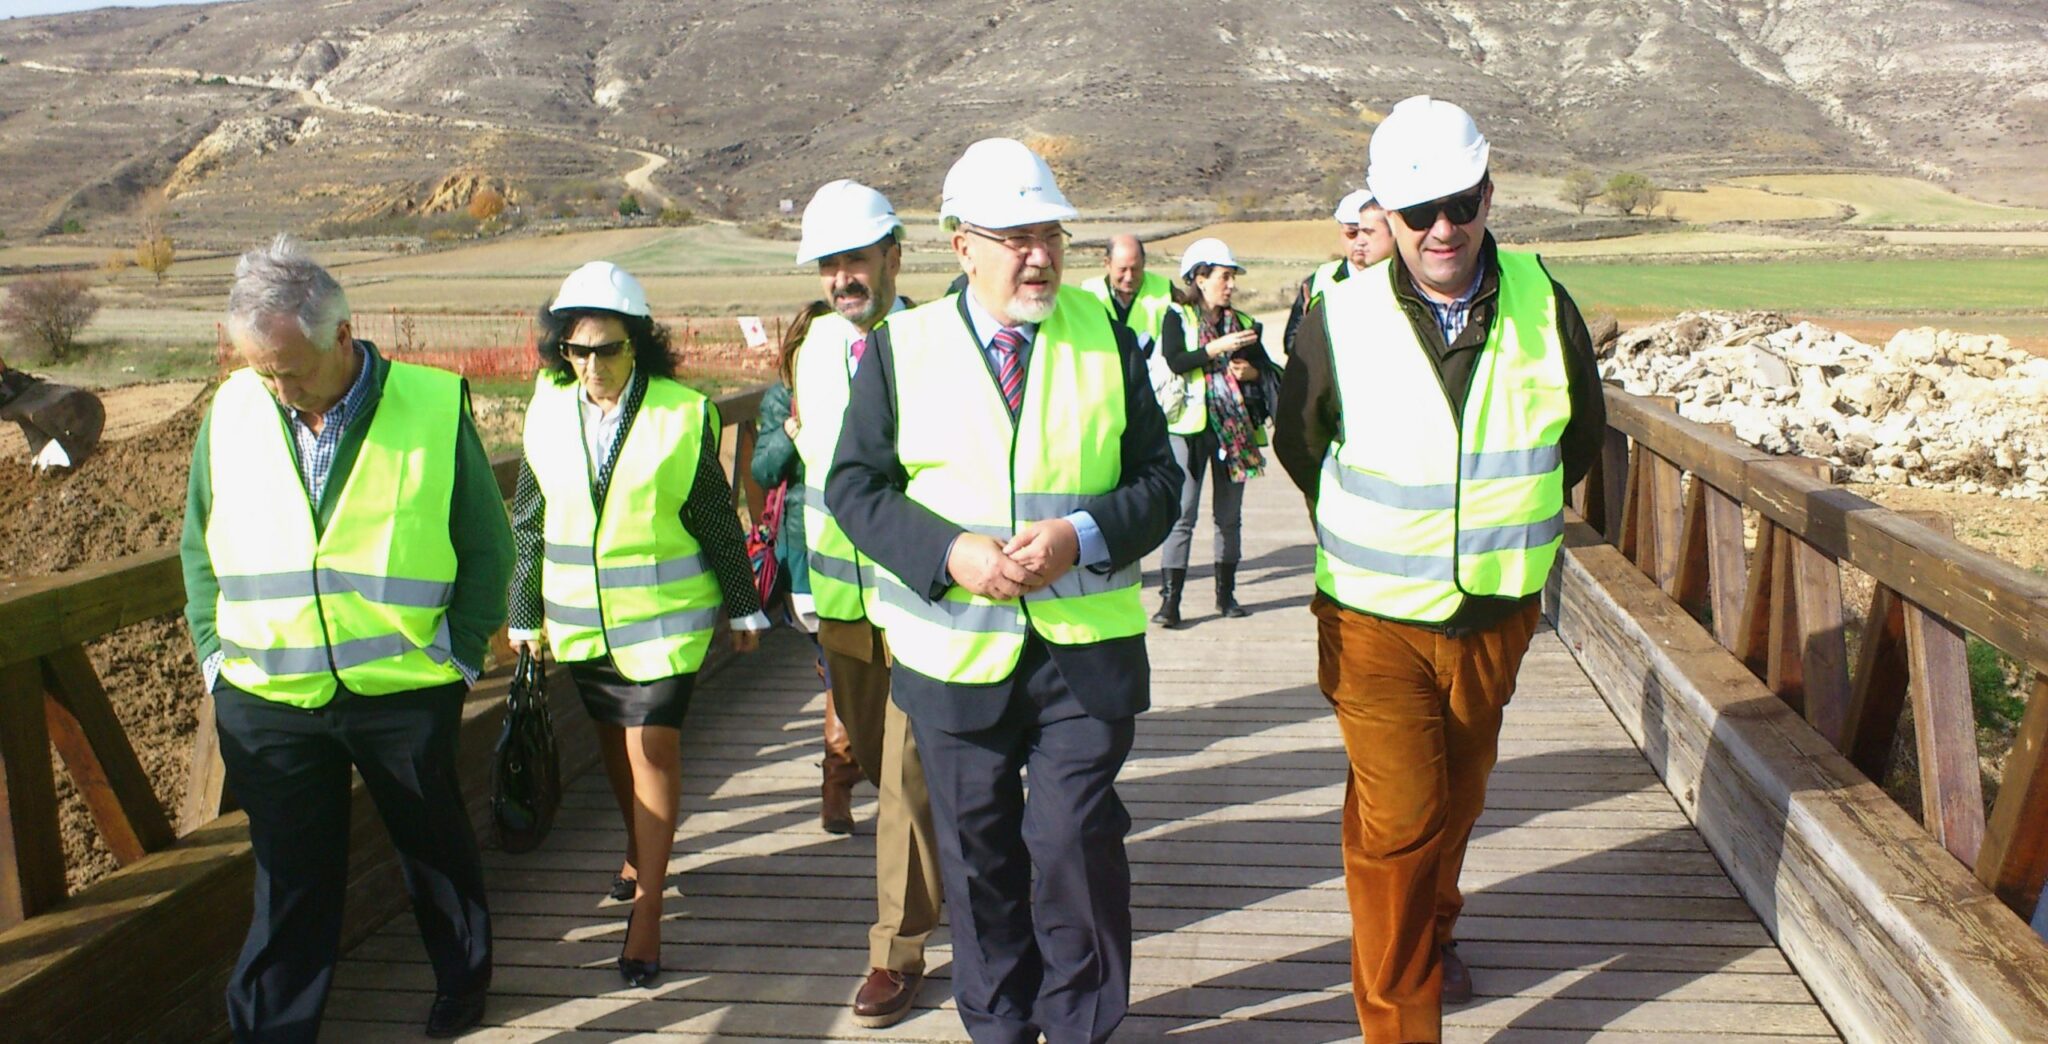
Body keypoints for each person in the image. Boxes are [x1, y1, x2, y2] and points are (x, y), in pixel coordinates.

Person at [827, 138, 1180, 1044]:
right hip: (953, 654)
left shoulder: (1106, 334)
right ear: (961, 244)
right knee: (979, 862)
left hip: (1083, 654)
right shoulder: (900, 350)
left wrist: (1080, 536)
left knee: (1072, 846)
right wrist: (951, 553)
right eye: (1016, 236)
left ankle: (1081, 1029)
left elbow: (1157, 482)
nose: (1040, 255)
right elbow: (854, 489)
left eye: (1051, 234)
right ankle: (999, 1028)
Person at [1273, 96, 1607, 1042]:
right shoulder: (1336, 315)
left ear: (1489, 195)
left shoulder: (1547, 301)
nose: (1442, 229)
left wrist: (1497, 527)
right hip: (1373, 618)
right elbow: (1300, 445)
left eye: (1460, 203)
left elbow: (1578, 439)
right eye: (1418, 213)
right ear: (1385, 216)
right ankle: (1400, 1025)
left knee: (1454, 800)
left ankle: (1436, 927)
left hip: (1497, 611)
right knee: (1398, 821)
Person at [179, 235, 512, 1042]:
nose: (277, 385)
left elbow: (488, 548)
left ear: (341, 332)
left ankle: (463, 983)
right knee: (289, 881)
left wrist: (458, 659)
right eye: (261, 367)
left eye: (289, 367)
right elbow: (198, 545)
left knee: (432, 850)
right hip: (269, 699)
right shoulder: (232, 410)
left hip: (405, 691)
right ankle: (272, 1030)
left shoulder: (432, 406)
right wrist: (216, 664)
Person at [505, 261, 766, 989]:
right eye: (577, 350)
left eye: (608, 349)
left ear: (639, 344)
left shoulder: (683, 413)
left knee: (650, 745)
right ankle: (637, 847)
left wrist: (744, 604)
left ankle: (647, 911)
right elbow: (529, 520)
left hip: (665, 627)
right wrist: (523, 611)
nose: (592, 366)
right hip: (584, 627)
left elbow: (715, 516)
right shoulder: (546, 407)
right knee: (615, 750)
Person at [789, 178, 945, 1028]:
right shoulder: (812, 345)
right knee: (893, 770)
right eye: (831, 263)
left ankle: (896, 948)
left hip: (917, 596)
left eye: (858, 257)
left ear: (894, 255)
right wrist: (807, 592)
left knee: (905, 778)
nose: (845, 276)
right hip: (844, 605)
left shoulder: (934, 341)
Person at [1151, 236, 1279, 626]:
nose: (1231, 285)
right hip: (1188, 433)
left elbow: (1271, 372)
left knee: (1228, 518)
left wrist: (1252, 372)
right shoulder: (1178, 317)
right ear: (1200, 278)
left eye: (1232, 277)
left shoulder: (1244, 324)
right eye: (1225, 276)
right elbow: (1175, 360)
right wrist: (1217, 348)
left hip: (1234, 434)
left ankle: (1227, 596)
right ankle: (1170, 603)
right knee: (1182, 515)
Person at [1283, 189, 1394, 358]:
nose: (1360, 242)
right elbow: (1291, 344)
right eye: (1352, 234)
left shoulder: (1403, 277)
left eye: (1367, 232)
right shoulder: (1317, 282)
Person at [1080, 234, 1174, 353]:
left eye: (1135, 269)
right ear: (1107, 264)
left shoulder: (1166, 289)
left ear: (1144, 263)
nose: (1129, 277)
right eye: (1122, 269)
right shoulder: (1087, 293)